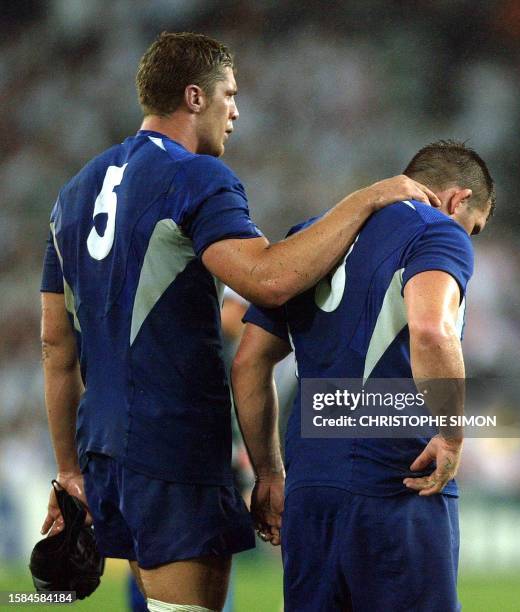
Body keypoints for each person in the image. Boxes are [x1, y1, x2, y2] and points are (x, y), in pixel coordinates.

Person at [39, 31, 440, 612]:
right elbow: (269, 279)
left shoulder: (70, 195)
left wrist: (69, 472)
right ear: (195, 96)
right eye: (230, 94)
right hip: (171, 443)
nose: (236, 112)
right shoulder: (195, 177)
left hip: (102, 450)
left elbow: (56, 346)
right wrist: (369, 199)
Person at [233, 140, 495, 611]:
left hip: (310, 489)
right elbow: (432, 330)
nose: (466, 238)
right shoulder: (438, 232)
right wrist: (452, 436)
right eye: (473, 228)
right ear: (459, 200)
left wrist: (269, 472)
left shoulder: (313, 236)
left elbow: (249, 362)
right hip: (395, 478)